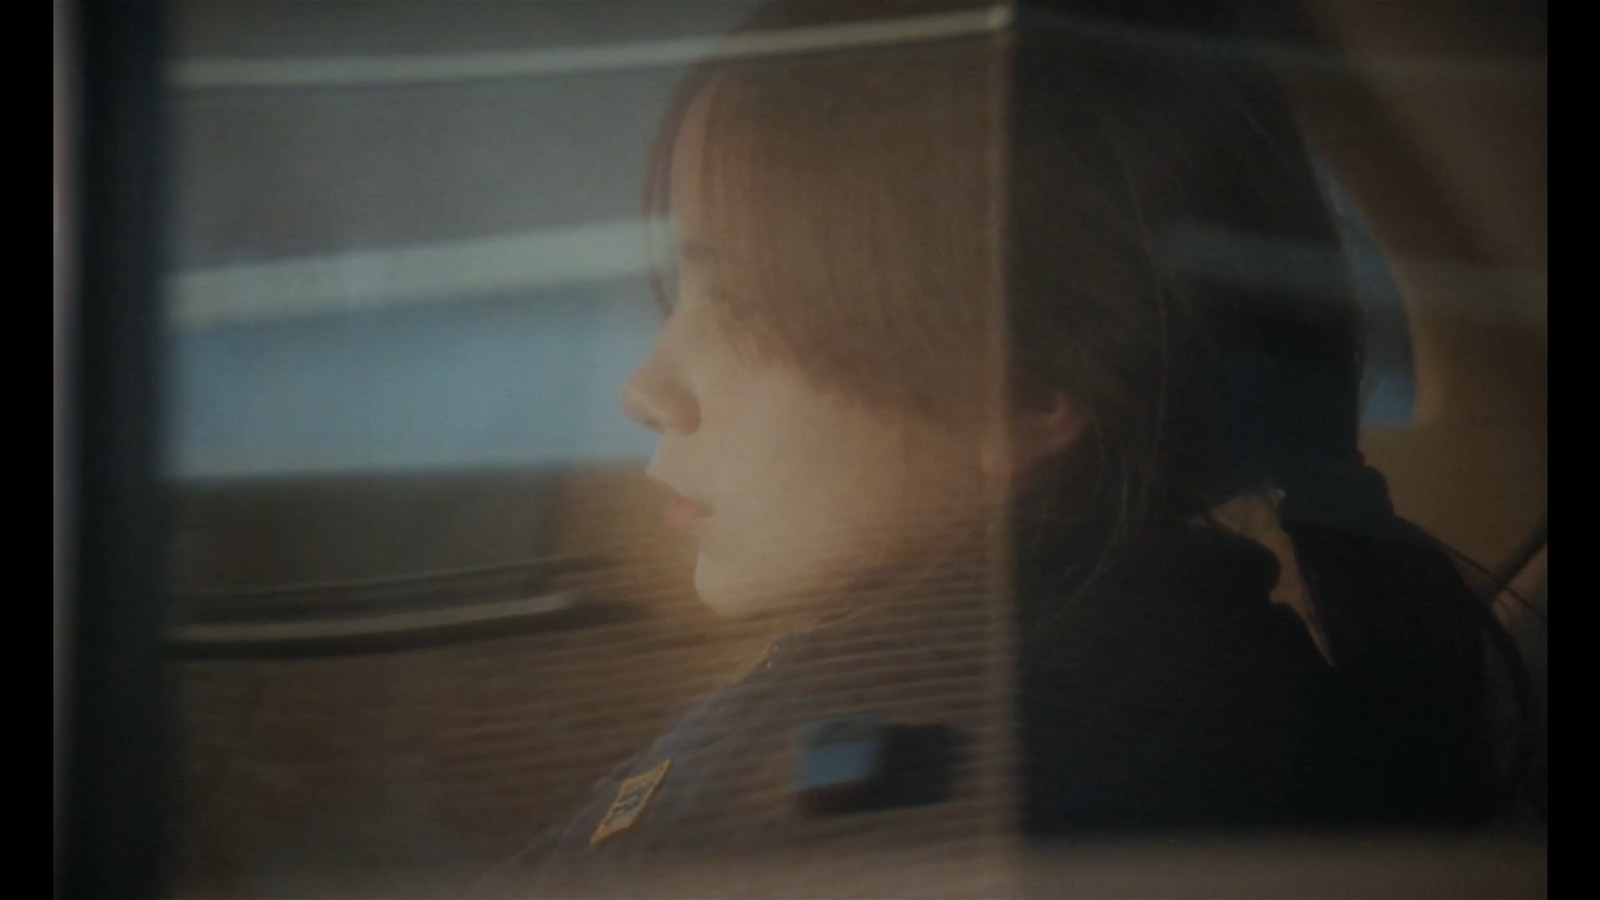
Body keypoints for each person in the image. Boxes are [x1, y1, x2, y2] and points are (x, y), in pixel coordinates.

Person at [502, 0, 1518, 889]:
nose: (646, 390)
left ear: (1028, 389)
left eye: (745, 308)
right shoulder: (986, 686)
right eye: (680, 296)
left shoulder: (1017, 789)